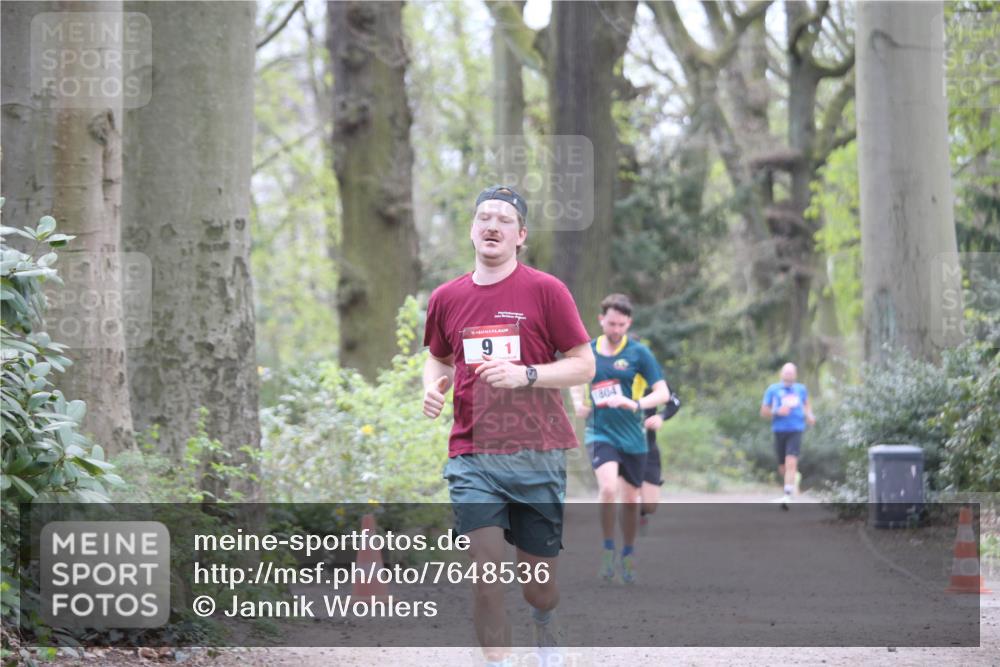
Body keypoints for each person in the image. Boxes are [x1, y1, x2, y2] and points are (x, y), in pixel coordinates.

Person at [422, 185, 595, 667]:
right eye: (484, 217)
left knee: (538, 587)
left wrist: (527, 375)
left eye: (504, 219)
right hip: (472, 455)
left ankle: (545, 621)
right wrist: (432, 387)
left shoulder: (546, 291)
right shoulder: (446, 297)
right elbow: (437, 357)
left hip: (537, 452)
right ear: (472, 230)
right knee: (485, 575)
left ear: (520, 235)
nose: (492, 225)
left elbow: (584, 365)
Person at [570, 294, 670, 584]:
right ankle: (607, 549)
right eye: (611, 323)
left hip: (633, 437)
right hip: (600, 431)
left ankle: (627, 553)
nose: (616, 330)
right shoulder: (588, 350)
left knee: (629, 500)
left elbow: (662, 393)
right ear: (601, 320)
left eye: (622, 325)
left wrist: (635, 404)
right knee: (608, 487)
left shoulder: (639, 353)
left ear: (629, 323)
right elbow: (575, 378)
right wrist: (578, 403)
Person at [760, 362, 816, 508]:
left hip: (796, 429)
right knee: (783, 467)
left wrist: (810, 415)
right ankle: (794, 479)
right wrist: (777, 411)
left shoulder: (800, 389)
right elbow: (764, 412)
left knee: (791, 460)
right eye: (786, 372)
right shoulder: (773, 389)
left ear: (795, 375)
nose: (789, 375)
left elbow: (806, 404)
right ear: (781, 374)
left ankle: (787, 495)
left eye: (791, 372)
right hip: (779, 430)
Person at [639, 391, 681, 535]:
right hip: (617, 445)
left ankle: (641, 513)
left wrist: (660, 416)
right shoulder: (610, 378)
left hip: (647, 445)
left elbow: (674, 402)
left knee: (650, 506)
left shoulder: (651, 380)